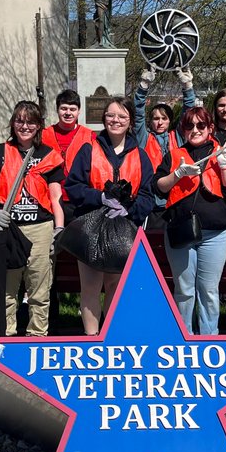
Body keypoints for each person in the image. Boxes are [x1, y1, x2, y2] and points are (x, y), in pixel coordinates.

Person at [65, 97, 155, 335]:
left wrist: (131, 209)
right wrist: (99, 198)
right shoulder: (88, 149)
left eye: (122, 116)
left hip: (123, 228)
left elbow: (148, 195)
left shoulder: (140, 155)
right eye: (111, 115)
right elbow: (73, 187)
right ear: (103, 118)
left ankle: (113, 335)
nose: (116, 120)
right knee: (90, 287)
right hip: (90, 227)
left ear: (130, 121)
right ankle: (91, 338)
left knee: (116, 286)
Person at [153, 106, 226, 334]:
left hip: (214, 233)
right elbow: (158, 187)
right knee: (183, 289)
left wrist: (223, 165)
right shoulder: (174, 155)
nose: (195, 130)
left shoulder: (222, 153)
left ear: (210, 128)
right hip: (181, 231)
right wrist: (177, 174)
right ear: (182, 130)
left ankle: (209, 338)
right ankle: (184, 336)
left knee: (209, 291)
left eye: (201, 125)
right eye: (189, 126)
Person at [0, 100, 66, 336]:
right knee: (7, 288)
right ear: (12, 123)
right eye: (20, 120)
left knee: (39, 288)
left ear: (39, 125)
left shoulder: (48, 155)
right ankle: (6, 335)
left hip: (40, 228)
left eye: (31, 121)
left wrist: (59, 227)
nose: (25, 126)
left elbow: (56, 195)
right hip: (8, 227)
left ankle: (37, 336)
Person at [135, 63, 197, 225]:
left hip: (176, 200)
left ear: (170, 121)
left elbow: (189, 112)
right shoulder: (144, 138)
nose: (160, 122)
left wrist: (187, 86)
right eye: (156, 118)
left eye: (164, 118)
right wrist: (144, 86)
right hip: (151, 204)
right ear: (150, 121)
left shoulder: (177, 137)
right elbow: (138, 113)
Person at [41, 88, 97, 224]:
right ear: (57, 110)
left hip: (78, 201)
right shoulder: (43, 135)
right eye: (64, 108)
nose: (68, 113)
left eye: (72, 109)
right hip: (49, 200)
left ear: (79, 111)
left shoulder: (90, 136)